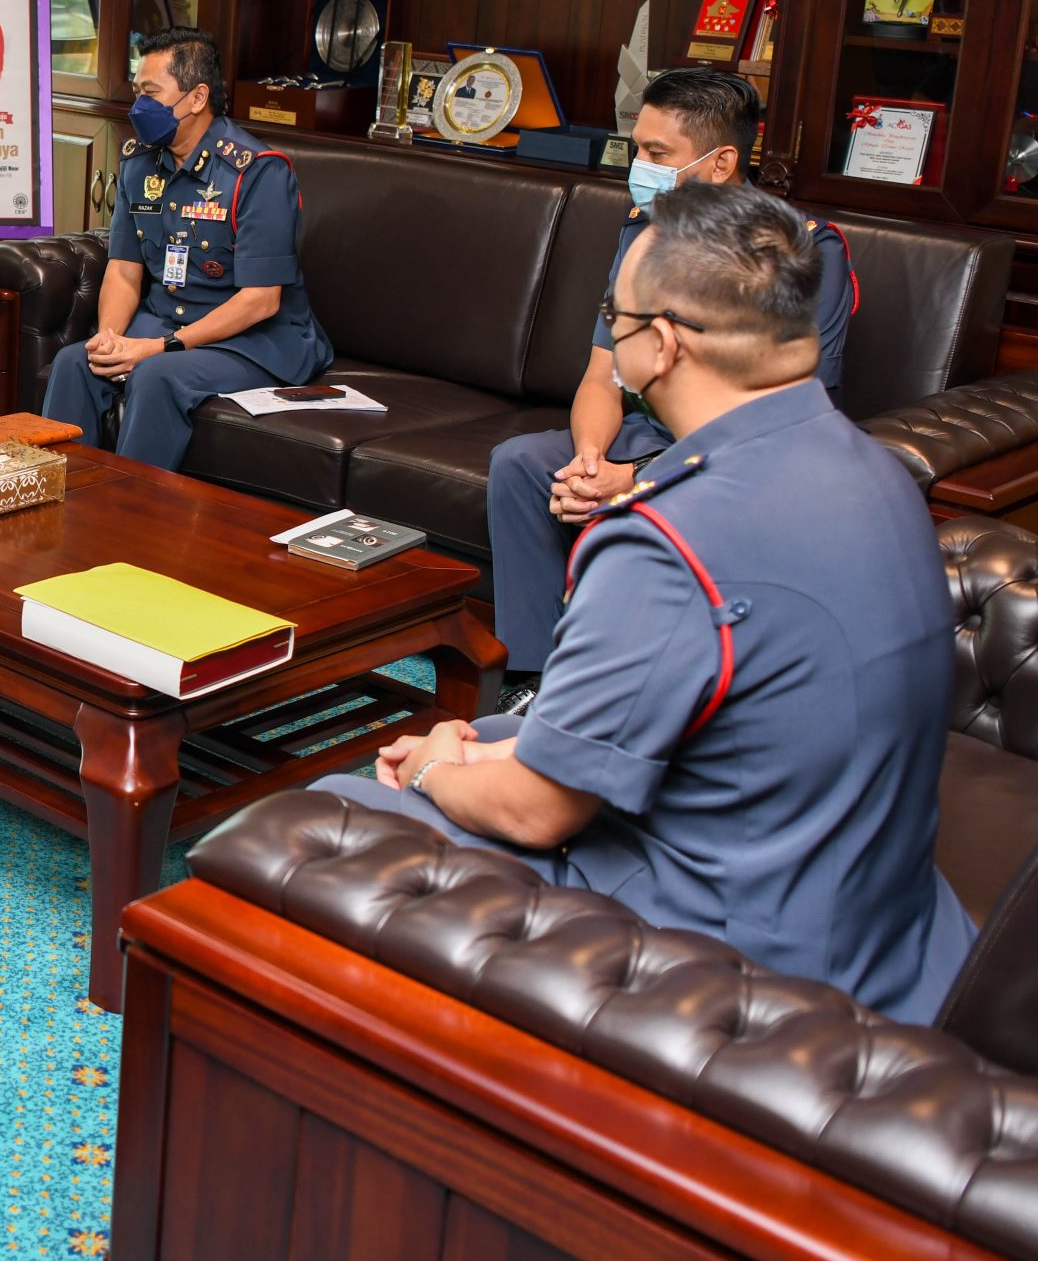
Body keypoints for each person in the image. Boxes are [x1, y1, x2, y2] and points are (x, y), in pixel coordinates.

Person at [315, 181, 971, 1024]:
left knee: (338, 810)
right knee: (491, 742)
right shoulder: (880, 472)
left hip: (733, 966)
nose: (610, 332)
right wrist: (487, 748)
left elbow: (536, 811)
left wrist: (437, 768)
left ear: (660, 344)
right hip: (891, 934)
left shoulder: (668, 539)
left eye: (612, 316)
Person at [487, 69, 854, 698]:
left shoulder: (801, 253)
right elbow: (602, 373)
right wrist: (589, 461)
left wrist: (637, 476)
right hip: (649, 431)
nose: (640, 167)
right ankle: (534, 681)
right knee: (523, 464)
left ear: (721, 163)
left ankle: (630, 689)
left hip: (749, 455)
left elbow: (779, 425)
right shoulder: (644, 229)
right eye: (638, 149)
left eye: (658, 154)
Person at [40, 26, 335, 472]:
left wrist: (163, 346)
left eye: (151, 93)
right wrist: (110, 336)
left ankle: (130, 506)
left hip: (252, 341)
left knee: (156, 375)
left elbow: (262, 300)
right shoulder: (140, 164)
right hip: (164, 325)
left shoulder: (258, 173)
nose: (139, 106)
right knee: (75, 362)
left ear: (197, 98)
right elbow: (123, 267)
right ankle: (61, 494)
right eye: (137, 92)